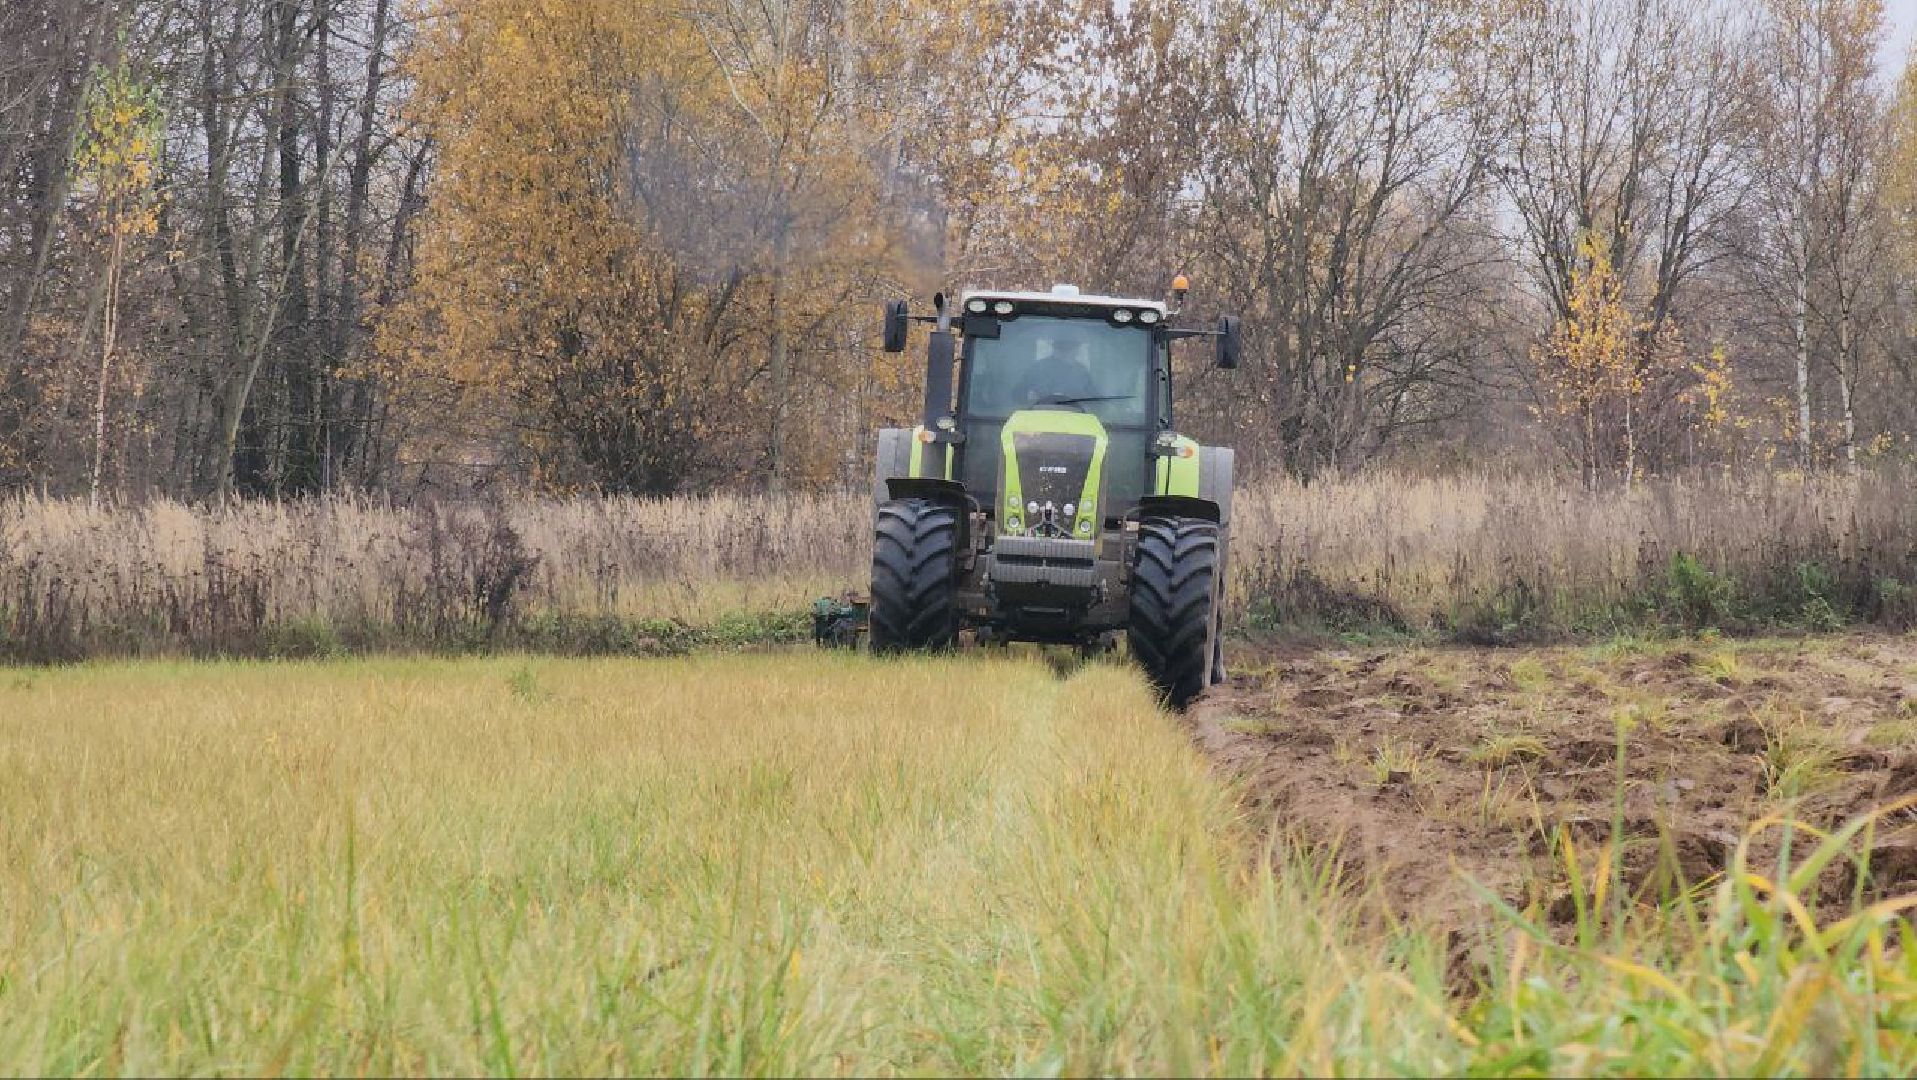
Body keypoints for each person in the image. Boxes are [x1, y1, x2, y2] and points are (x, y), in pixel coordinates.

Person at [1015, 336, 1099, 406]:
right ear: (1055, 349)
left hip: (1075, 414)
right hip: (1041, 413)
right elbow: (1017, 393)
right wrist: (1028, 396)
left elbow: (1094, 397)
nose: (1068, 352)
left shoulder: (1081, 371)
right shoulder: (1038, 368)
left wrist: (1083, 398)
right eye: (1063, 348)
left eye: (1071, 348)